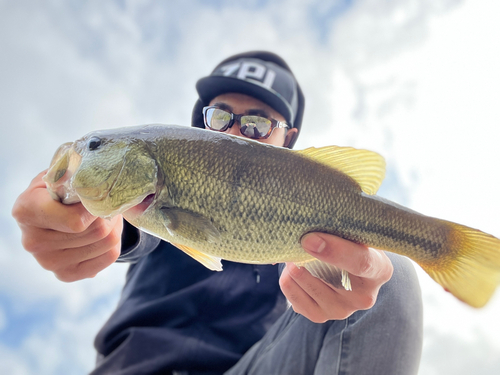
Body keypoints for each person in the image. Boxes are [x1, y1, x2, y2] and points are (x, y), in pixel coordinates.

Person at [12, 51, 423, 375]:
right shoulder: (151, 204)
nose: (234, 131)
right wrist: (77, 223)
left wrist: (349, 285)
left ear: (289, 139)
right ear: (199, 123)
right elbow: (126, 232)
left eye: (259, 124)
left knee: (388, 274)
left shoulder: (308, 221)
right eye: (220, 115)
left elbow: (352, 280)